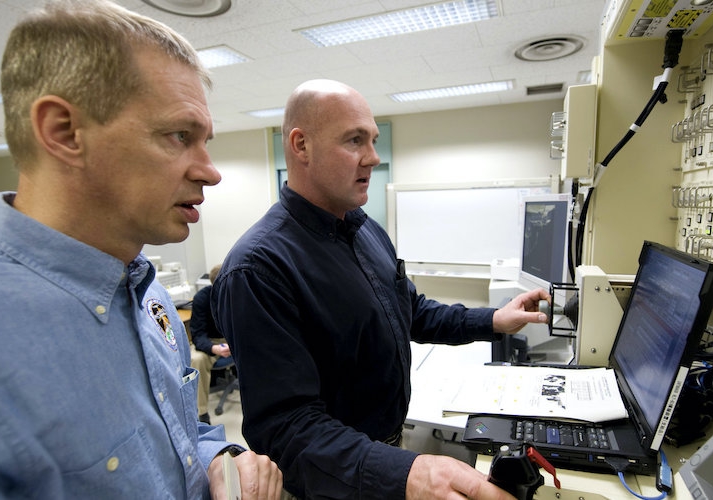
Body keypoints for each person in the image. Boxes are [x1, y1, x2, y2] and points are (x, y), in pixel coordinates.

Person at [0, 1, 281, 498]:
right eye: (180, 136)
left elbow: (180, 439)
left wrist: (221, 460)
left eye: (205, 141)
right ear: (64, 132)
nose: (210, 170)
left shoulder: (146, 294)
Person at [212, 79, 551, 499]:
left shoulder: (365, 229)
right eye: (355, 140)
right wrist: (405, 474)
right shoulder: (258, 268)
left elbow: (412, 309)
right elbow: (287, 428)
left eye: (372, 139)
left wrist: (495, 320)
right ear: (301, 146)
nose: (373, 157)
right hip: (329, 482)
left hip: (384, 456)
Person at [190, 264, 234, 423]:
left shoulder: (238, 295)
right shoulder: (202, 298)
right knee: (196, 359)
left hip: (234, 339)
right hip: (212, 342)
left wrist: (235, 342)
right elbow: (197, 334)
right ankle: (201, 413)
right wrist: (213, 348)